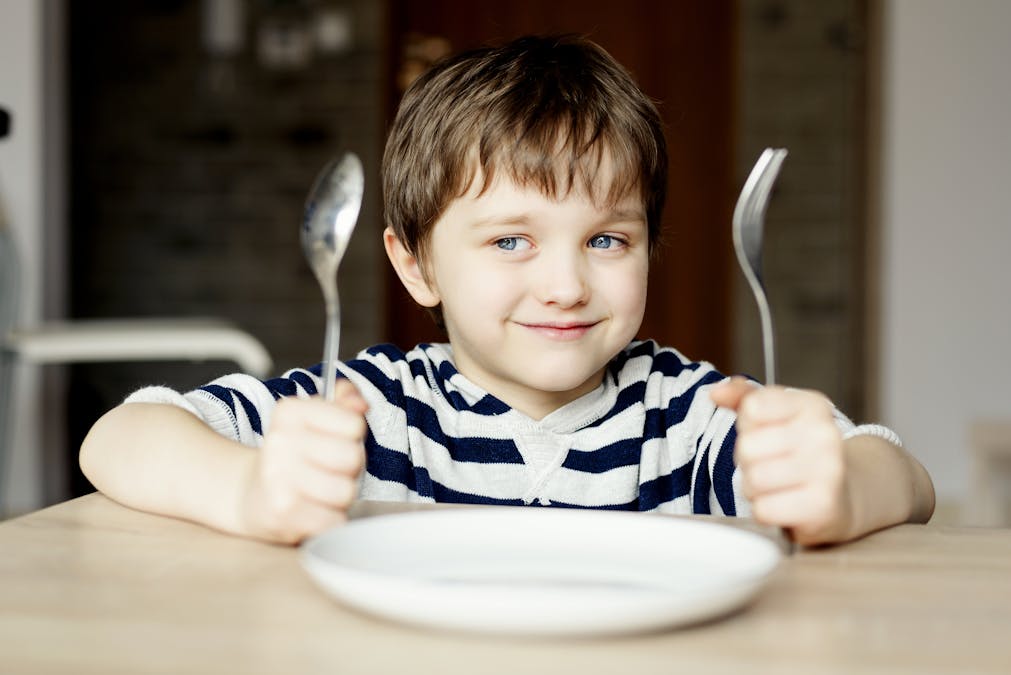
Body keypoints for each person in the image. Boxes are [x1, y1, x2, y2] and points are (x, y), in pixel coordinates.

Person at [80, 35, 934, 547]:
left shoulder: (692, 416)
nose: (564, 284)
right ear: (414, 264)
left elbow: (906, 476)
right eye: (510, 240)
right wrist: (250, 491)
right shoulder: (368, 409)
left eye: (606, 239)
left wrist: (842, 490)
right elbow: (121, 435)